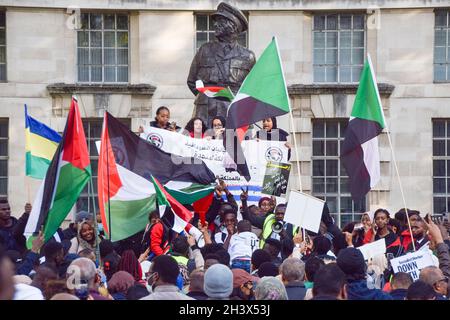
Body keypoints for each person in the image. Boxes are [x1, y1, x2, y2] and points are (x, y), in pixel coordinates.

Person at [187, 2, 256, 124]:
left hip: (232, 111)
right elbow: (192, 81)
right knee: (202, 142)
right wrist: (208, 96)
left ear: (233, 26)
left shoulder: (248, 56)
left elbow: (253, 89)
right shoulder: (204, 50)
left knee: (231, 143)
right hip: (204, 112)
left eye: (220, 21)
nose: (215, 24)